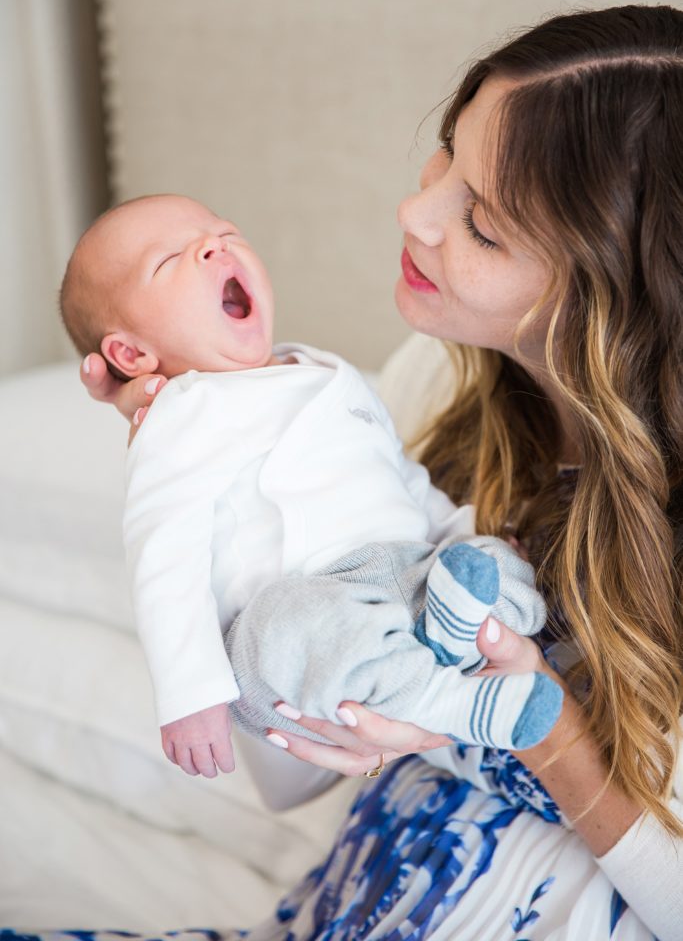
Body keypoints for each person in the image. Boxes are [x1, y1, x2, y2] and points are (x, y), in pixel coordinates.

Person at [23, 4, 683, 939]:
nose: (413, 213)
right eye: (446, 156)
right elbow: (288, 761)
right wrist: (200, 463)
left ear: (611, 294)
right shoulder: (420, 384)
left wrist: (529, 727)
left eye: (481, 225)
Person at [58, 195, 561, 779]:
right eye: (170, 259)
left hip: (407, 579)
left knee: (498, 559)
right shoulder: (178, 413)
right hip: (306, 624)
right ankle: (453, 699)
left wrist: (462, 534)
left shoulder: (325, 370)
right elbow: (163, 554)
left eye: (224, 230)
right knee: (283, 626)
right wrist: (189, 692)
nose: (214, 245)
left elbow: (401, 479)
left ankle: (453, 638)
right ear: (131, 354)